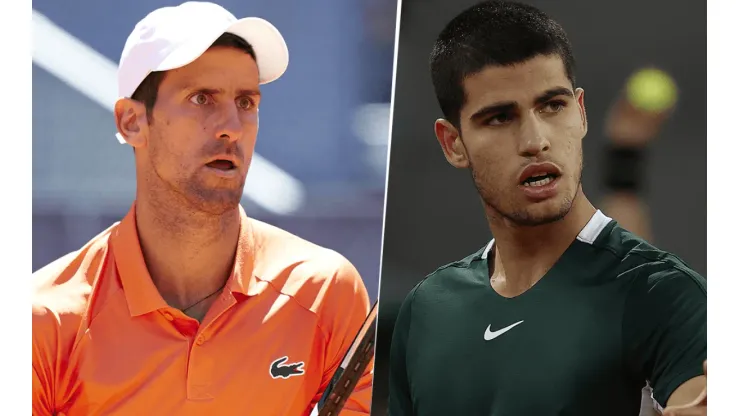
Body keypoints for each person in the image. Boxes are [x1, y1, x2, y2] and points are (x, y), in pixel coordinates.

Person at [31, 2, 372, 415]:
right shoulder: (42, 318)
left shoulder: (326, 292)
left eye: (246, 102)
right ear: (132, 122)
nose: (231, 124)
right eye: (201, 98)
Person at [387, 2, 706, 416]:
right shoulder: (424, 309)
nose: (535, 140)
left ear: (581, 112)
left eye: (553, 106)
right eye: (500, 118)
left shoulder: (669, 295)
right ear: (453, 143)